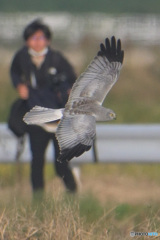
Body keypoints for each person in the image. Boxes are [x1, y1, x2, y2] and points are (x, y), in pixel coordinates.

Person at [10, 19, 77, 195]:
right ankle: (38, 203)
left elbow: (73, 79)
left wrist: (69, 92)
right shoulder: (22, 56)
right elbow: (14, 72)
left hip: (59, 119)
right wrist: (19, 86)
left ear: (47, 40)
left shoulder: (57, 59)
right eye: (33, 38)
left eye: (41, 38)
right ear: (27, 40)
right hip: (36, 117)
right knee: (37, 162)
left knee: (60, 163)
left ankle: (73, 196)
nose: (37, 42)